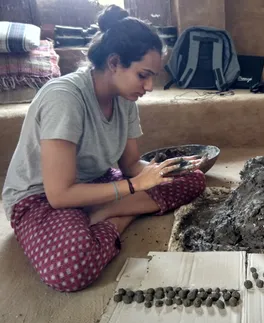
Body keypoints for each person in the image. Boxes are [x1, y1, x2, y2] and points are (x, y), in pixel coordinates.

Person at [1, 5, 206, 292]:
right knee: (70, 267)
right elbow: (59, 195)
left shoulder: (125, 98)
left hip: (97, 182)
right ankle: (117, 212)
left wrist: (167, 169)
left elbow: (132, 165)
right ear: (113, 62)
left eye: (153, 77)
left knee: (193, 178)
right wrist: (134, 187)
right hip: (41, 198)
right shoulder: (65, 98)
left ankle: (111, 211)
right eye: (143, 75)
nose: (148, 86)